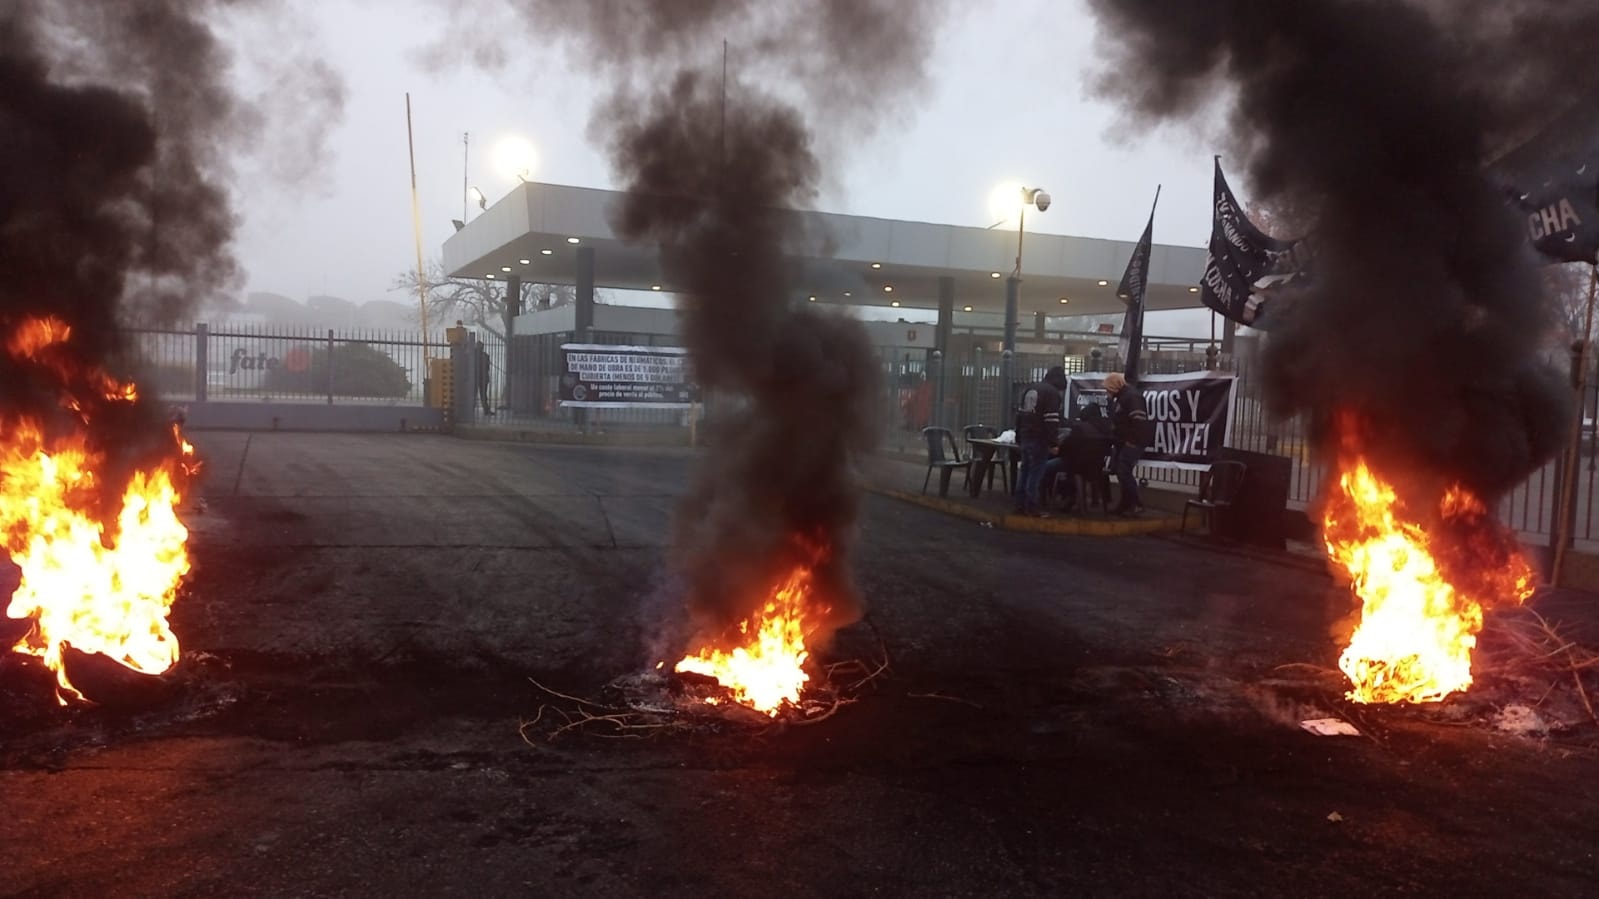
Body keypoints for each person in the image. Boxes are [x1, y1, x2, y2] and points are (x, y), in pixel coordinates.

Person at [1012, 365, 1067, 517]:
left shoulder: (1030, 389)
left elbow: (1020, 415)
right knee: (1035, 474)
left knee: (1025, 471)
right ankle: (1031, 507)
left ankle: (1019, 505)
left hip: (1026, 436)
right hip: (1039, 438)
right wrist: (1053, 443)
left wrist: (1018, 436)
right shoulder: (1052, 393)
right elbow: (1051, 420)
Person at [1048, 402, 1114, 511]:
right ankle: (1071, 498)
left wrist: (1058, 449)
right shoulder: (1105, 429)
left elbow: (1067, 447)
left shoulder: (1079, 428)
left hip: (1077, 467)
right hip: (1096, 468)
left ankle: (1056, 499)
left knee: (1046, 467)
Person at [1103, 371, 1153, 515]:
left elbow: (1138, 420)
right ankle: (1125, 505)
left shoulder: (1131, 397)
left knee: (1124, 471)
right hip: (1124, 441)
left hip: (1132, 442)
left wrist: (1132, 441)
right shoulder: (1122, 397)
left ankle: (1136, 504)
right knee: (1121, 471)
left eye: (1108, 388)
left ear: (1114, 386)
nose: (1106, 392)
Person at [476, 341, 495, 416]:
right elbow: (487, 367)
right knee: (483, 395)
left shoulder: (473, 355)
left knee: (473, 395)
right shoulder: (486, 355)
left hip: (476, 377)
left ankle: (470, 411)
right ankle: (486, 410)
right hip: (483, 378)